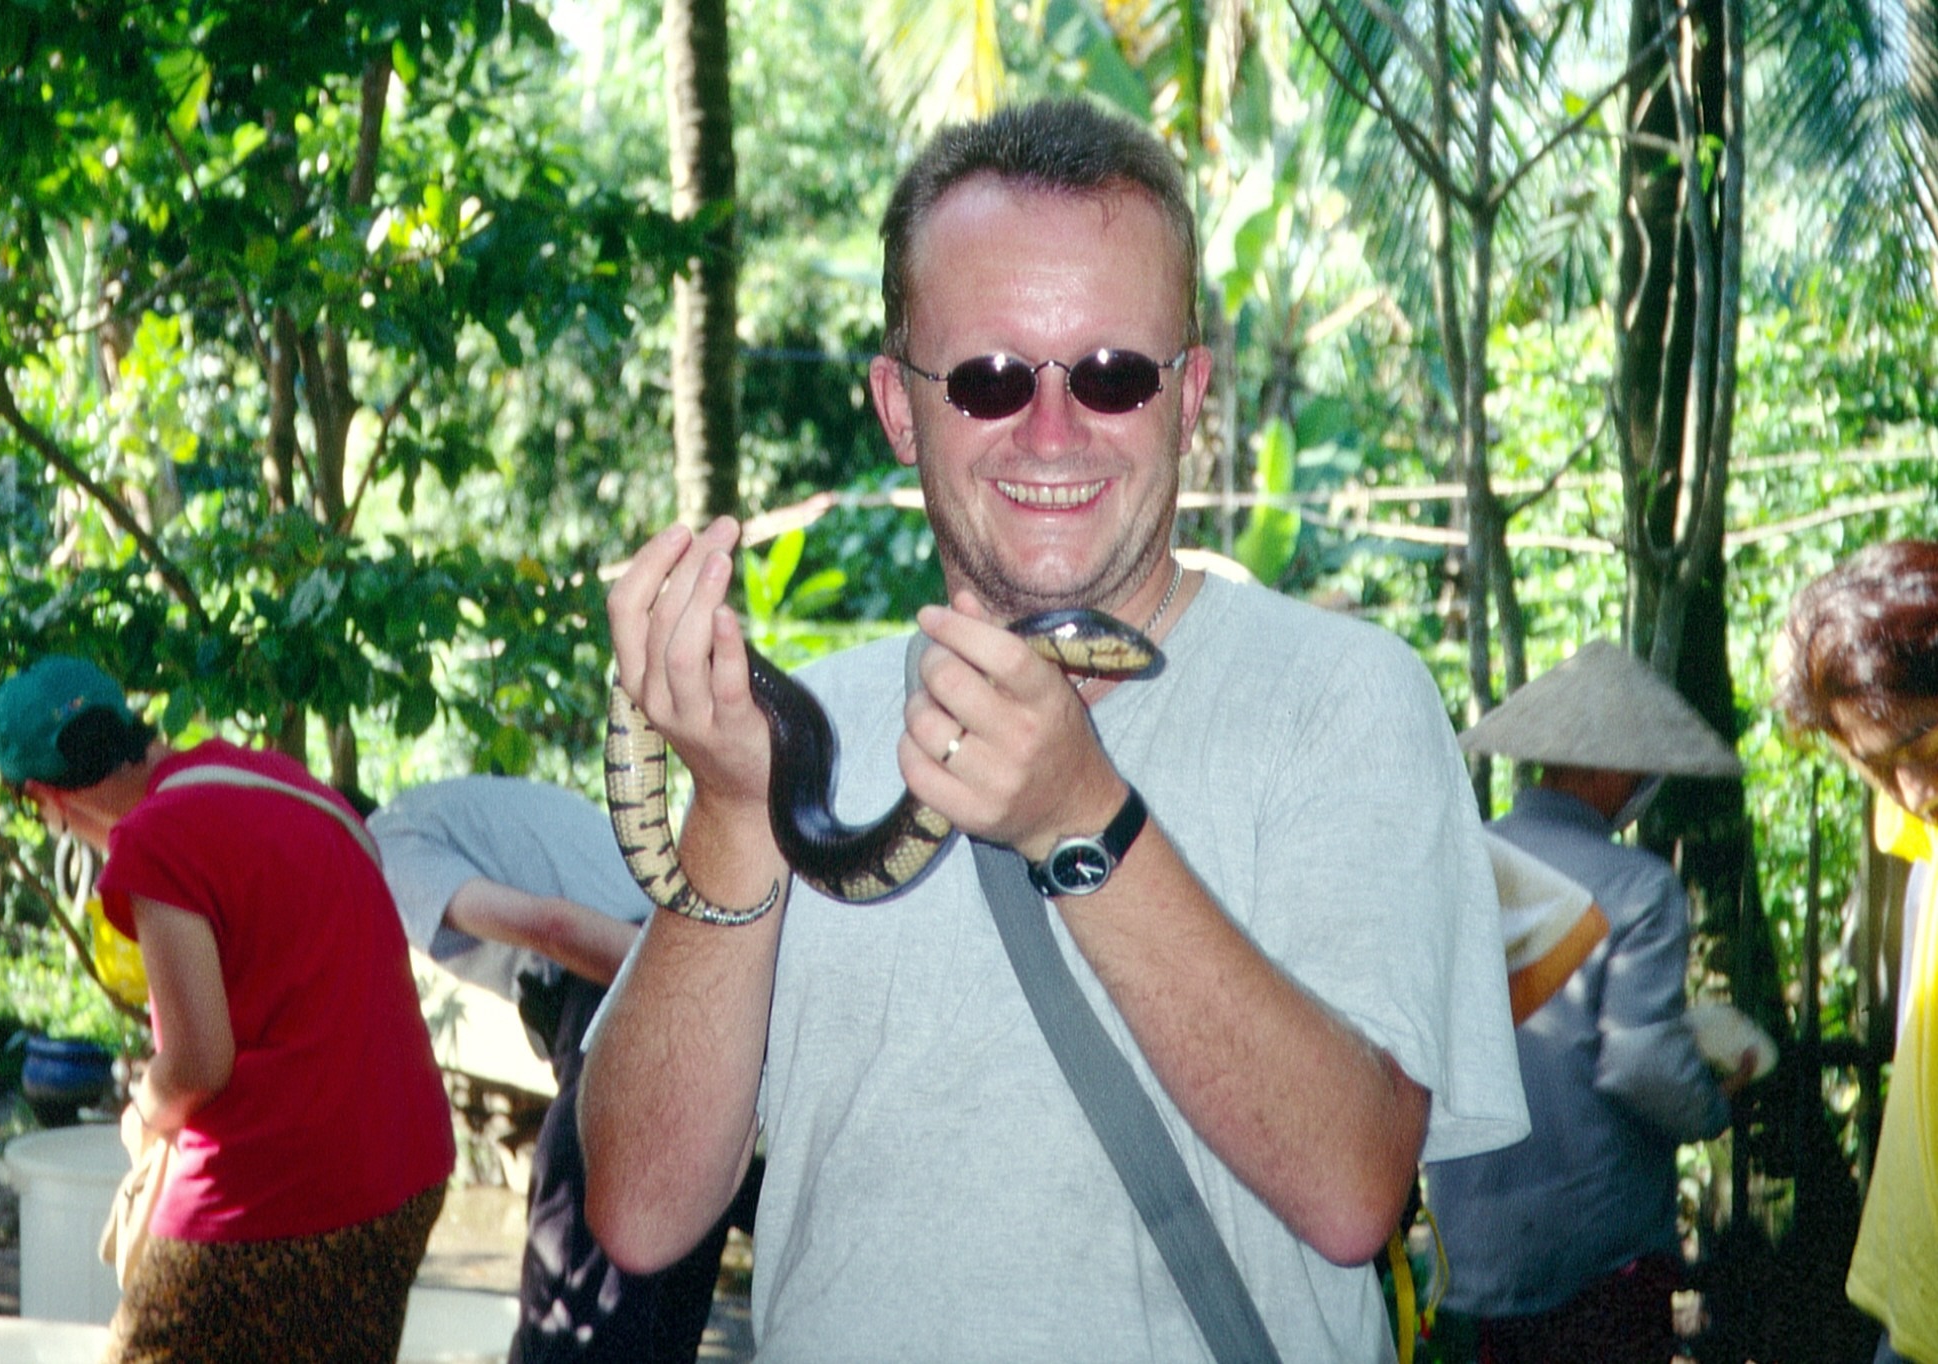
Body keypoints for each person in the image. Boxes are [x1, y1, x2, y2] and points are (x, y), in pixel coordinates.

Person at [580, 97, 1528, 1362]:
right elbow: (640, 1212)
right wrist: (735, 808)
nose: (1052, 429)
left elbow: (1358, 1190)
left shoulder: (1348, 701)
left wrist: (1082, 816)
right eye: (988, 379)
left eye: (1113, 373)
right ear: (898, 407)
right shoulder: (796, 735)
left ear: (1189, 397)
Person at [0, 655, 454, 1364]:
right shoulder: (278, 778)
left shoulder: (156, 837)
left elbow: (199, 1063)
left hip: (279, 1187)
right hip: (405, 1170)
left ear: (44, 798)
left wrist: (144, 1113)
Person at [1424, 640, 1750, 1364]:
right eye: (1641, 770)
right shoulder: (1637, 887)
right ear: (1609, 769)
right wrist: (1711, 1102)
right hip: (1597, 1253)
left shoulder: (1459, 862)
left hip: (1468, 1242)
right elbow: (1641, 1064)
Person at [366, 775, 759, 1363]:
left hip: (628, 973)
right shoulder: (445, 807)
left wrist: (687, 981)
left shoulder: (384, 848)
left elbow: (554, 927)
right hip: (670, 950)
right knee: (663, 1297)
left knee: (576, 1300)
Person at [1775, 540, 1938, 1364]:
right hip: (1912, 1295)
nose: (1914, 792)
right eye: (1879, 767)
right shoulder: (1921, 822)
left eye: (1925, 748)